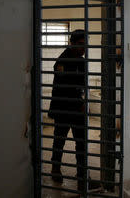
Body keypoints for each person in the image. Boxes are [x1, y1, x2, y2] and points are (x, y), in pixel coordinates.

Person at [49, 29, 99, 192]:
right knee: (59, 140)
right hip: (65, 108)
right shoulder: (62, 61)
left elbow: (83, 85)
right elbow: (63, 88)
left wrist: (84, 97)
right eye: (80, 44)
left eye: (85, 44)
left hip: (77, 108)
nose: (83, 47)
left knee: (81, 143)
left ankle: (82, 176)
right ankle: (55, 169)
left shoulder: (81, 61)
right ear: (71, 43)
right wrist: (81, 100)